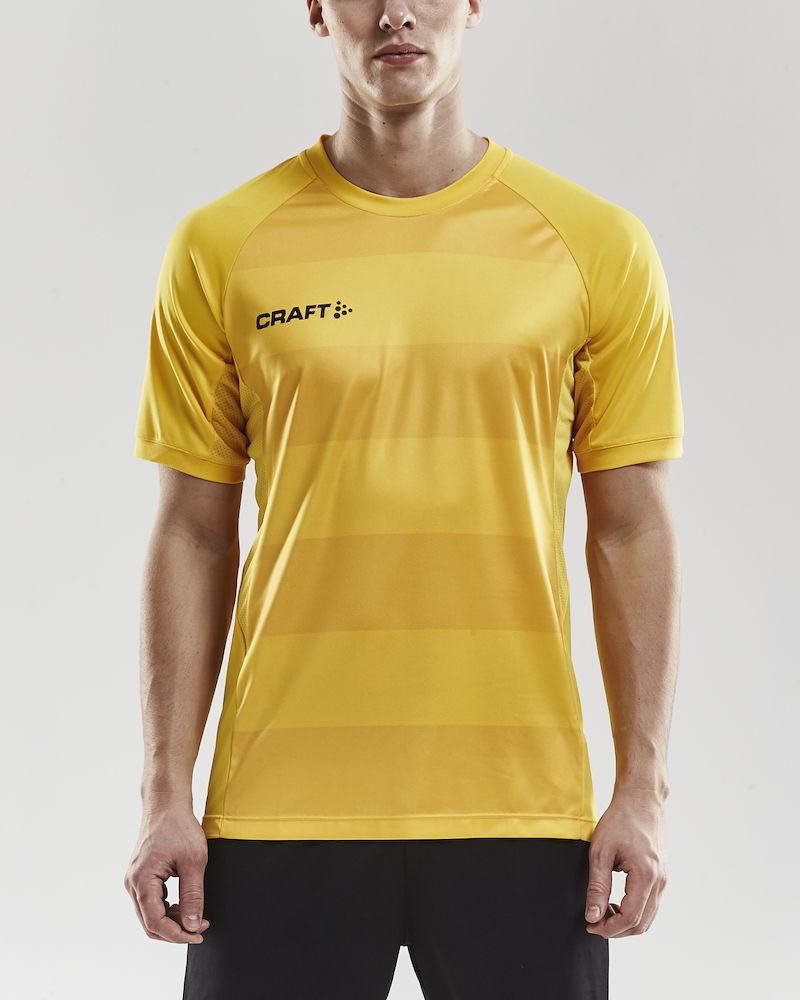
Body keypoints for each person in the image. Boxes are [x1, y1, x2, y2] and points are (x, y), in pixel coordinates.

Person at [123, 2, 683, 997]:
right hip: (279, 809)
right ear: (314, 10)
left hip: (518, 809)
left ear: (474, 4)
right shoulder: (221, 244)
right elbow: (192, 535)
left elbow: (631, 530)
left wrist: (642, 790)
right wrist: (164, 790)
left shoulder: (595, 245)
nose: (395, 12)